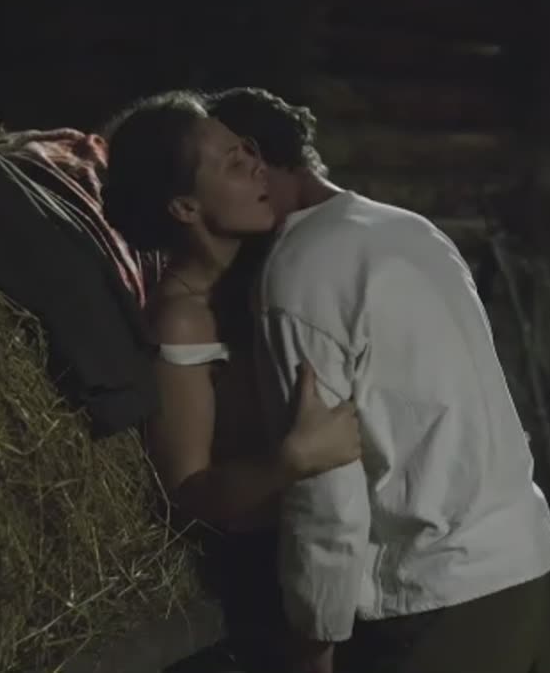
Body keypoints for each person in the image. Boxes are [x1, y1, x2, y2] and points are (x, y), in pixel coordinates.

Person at [207, 87, 550, 673]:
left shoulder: (298, 274)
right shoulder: (407, 229)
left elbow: (325, 484)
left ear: (253, 158)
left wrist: (316, 634)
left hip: (438, 598)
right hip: (527, 567)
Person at [99, 90, 363, 670]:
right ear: (184, 207)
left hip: (330, 552)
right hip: (259, 581)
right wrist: (291, 461)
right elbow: (188, 495)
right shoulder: (183, 319)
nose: (256, 167)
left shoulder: (271, 271)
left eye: (248, 150)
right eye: (231, 164)